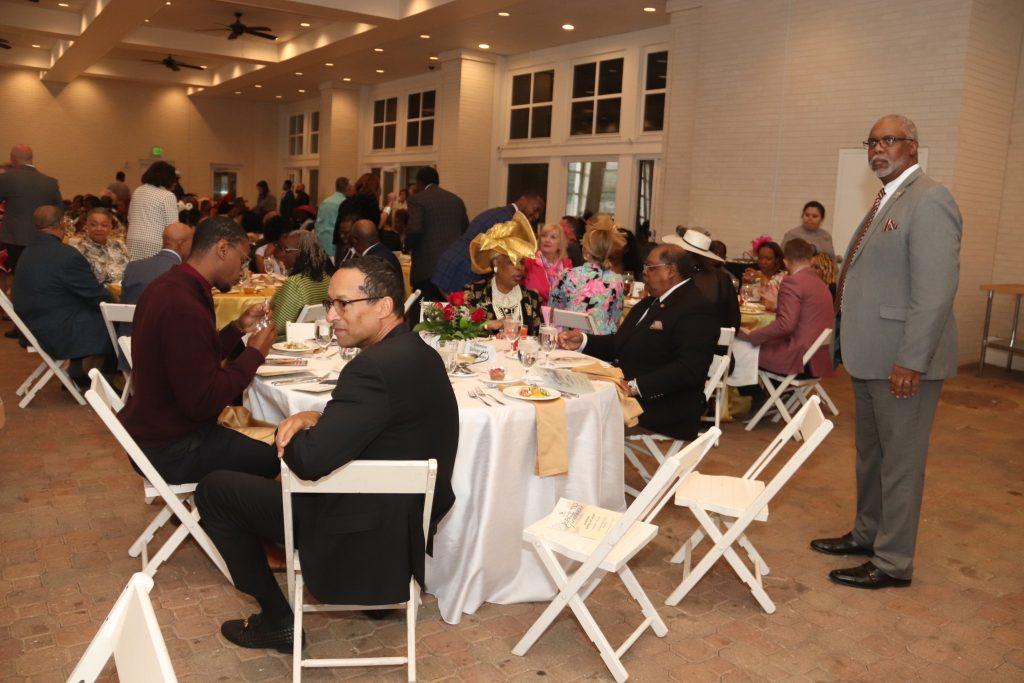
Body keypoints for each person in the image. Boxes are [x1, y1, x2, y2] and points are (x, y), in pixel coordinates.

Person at [195, 257, 459, 653]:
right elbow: (380, 430)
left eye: (342, 304)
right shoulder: (421, 353)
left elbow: (308, 462)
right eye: (330, 303)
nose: (331, 315)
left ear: (383, 306)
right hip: (407, 525)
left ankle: (277, 621)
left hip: (360, 532)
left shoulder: (371, 369)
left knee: (215, 491)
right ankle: (375, 599)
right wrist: (317, 418)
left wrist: (290, 428)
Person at [811, 115, 962, 590]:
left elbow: (935, 292)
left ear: (913, 146)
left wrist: (911, 361)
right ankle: (867, 534)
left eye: (890, 140)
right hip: (871, 356)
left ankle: (893, 561)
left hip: (903, 362)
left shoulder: (930, 199)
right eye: (873, 142)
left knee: (900, 464)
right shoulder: (887, 198)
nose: (879, 149)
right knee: (871, 457)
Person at [118, 216, 279, 485]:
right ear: (222, 249)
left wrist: (238, 327)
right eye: (242, 260)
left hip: (157, 429)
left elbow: (192, 358)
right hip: (172, 448)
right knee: (277, 457)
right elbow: (204, 401)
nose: (242, 271)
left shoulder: (173, 285)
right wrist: (254, 354)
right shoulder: (182, 304)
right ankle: (217, 505)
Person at [558, 244, 718, 441]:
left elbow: (689, 369)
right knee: (568, 394)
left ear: (670, 271)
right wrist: (583, 341)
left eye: (650, 267)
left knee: (577, 412)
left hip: (663, 404)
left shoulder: (696, 308)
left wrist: (634, 386)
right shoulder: (650, 302)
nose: (644, 272)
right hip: (627, 392)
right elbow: (621, 343)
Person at [12, 206, 112, 383]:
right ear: (61, 223)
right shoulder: (67, 255)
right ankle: (104, 382)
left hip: (29, 324)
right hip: (53, 331)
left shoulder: (28, 251)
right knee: (114, 322)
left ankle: (81, 372)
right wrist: (114, 301)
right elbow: (95, 296)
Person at [738, 238, 834, 378]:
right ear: (811, 260)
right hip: (816, 359)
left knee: (739, 347)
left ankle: (755, 391)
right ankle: (772, 391)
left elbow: (785, 325)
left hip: (796, 360)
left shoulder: (792, 282)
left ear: (785, 262)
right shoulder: (821, 284)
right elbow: (805, 315)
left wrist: (753, 335)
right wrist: (777, 306)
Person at [431, 192, 545, 295]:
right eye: (536, 209)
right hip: (463, 269)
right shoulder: (509, 222)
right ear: (523, 200)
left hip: (450, 262)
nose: (536, 216)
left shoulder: (497, 212)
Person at [463, 214, 544, 334]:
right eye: (512, 262)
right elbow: (460, 329)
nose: (519, 268)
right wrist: (488, 325)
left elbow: (539, 337)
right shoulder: (473, 293)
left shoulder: (532, 299)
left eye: (522, 262)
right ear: (496, 264)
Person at [405, 167, 468, 303]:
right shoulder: (456, 200)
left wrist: (406, 246)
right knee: (449, 310)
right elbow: (465, 232)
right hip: (453, 267)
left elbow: (415, 229)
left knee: (425, 310)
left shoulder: (417, 199)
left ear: (419, 183)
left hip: (427, 268)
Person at [549, 226, 625, 334]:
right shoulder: (617, 281)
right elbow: (615, 317)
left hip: (571, 337)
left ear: (585, 252)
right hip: (601, 339)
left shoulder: (568, 275)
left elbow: (553, 310)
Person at [0, 145, 62, 273]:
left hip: (15, 238)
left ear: (12, 159)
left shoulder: (5, 179)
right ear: (31, 158)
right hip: (45, 238)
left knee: (18, 274)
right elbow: (59, 211)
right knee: (40, 273)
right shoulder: (50, 182)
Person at [665, 229, 739, 333]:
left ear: (686, 254)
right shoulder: (722, 277)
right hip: (715, 339)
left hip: (680, 338)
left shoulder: (675, 275)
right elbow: (734, 322)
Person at [270, 231, 333, 338]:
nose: (281, 255)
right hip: (315, 338)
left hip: (287, 342)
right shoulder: (327, 279)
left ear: (301, 253)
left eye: (286, 250)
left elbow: (277, 327)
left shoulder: (295, 284)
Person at [121, 222, 194, 306]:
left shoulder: (132, 267)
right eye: (192, 243)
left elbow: (122, 305)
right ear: (182, 244)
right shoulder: (184, 274)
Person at [127, 161, 179, 260]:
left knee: (136, 269)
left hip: (132, 240)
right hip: (155, 243)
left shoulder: (137, 191)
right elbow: (173, 227)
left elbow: (130, 218)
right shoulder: (167, 195)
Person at [69, 208, 129, 286]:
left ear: (111, 227)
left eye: (104, 225)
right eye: (93, 225)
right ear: (86, 226)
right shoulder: (78, 251)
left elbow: (130, 270)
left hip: (126, 289)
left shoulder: (119, 245)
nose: (99, 229)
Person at [523, 223, 572, 305]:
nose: (547, 240)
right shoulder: (529, 262)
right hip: (536, 310)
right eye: (544, 236)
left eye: (553, 237)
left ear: (560, 244)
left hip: (561, 311)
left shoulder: (566, 265)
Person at [333, 174, 380, 254]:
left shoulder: (346, 201)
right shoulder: (371, 202)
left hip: (342, 245)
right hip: (361, 246)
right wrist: (388, 207)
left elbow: (338, 229)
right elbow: (375, 226)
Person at [742, 240, 786, 311]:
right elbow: (747, 300)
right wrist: (745, 284)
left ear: (777, 260)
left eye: (768, 259)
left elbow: (776, 302)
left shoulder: (784, 278)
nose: (763, 262)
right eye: (760, 258)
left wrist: (762, 277)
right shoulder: (755, 275)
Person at [314, 177, 348, 258]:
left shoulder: (325, 202)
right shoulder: (345, 203)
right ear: (347, 188)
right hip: (334, 246)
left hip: (320, 242)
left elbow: (318, 224)